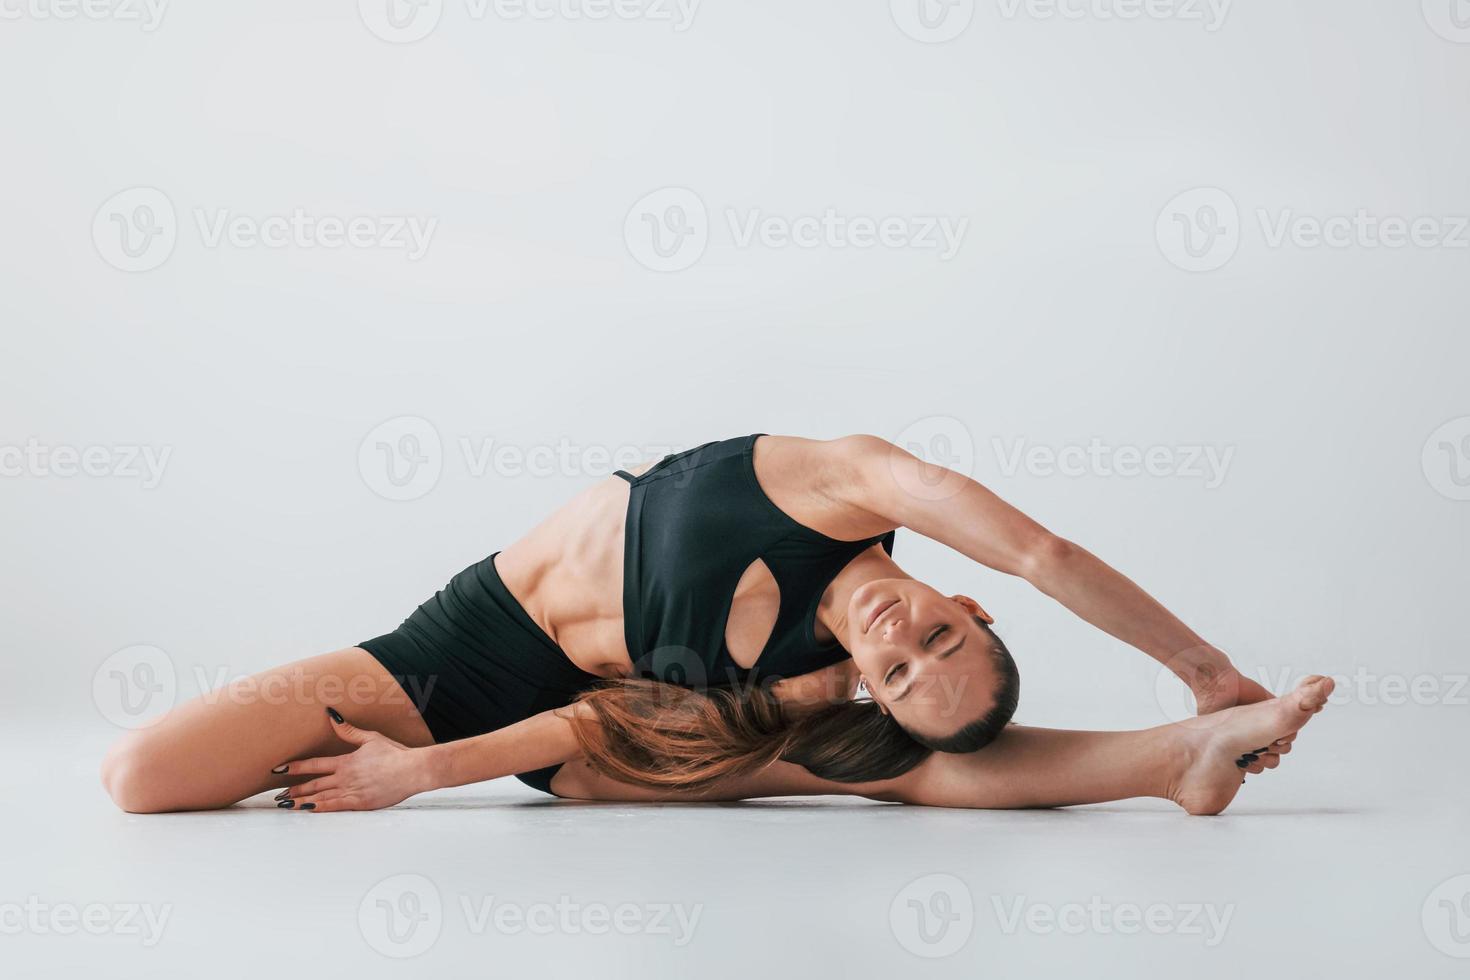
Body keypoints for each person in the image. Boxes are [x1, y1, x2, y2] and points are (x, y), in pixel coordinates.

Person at [100, 433, 1331, 816]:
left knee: (888, 770)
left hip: (577, 745)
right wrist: (1204, 666)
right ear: (968, 598)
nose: (904, 637)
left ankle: (1169, 763)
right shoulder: (847, 477)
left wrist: (418, 774)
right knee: (141, 776)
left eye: (899, 670)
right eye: (942, 636)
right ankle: (1192, 728)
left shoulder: (822, 678)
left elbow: (601, 720)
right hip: (459, 651)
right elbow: (1046, 549)